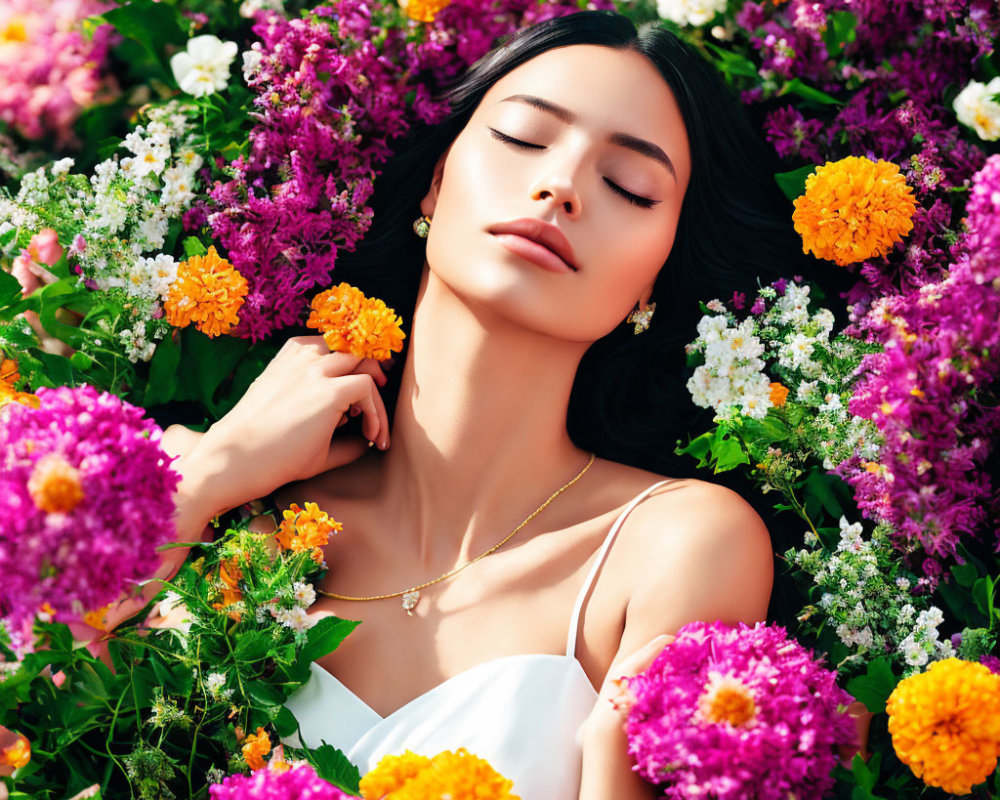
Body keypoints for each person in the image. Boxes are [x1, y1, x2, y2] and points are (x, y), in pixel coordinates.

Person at [104, 9, 810, 798]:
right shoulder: (228, 506)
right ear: (437, 183)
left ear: (655, 277)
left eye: (629, 186)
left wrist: (614, 763)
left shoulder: (675, 547)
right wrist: (216, 473)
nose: (561, 187)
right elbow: (37, 724)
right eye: (521, 137)